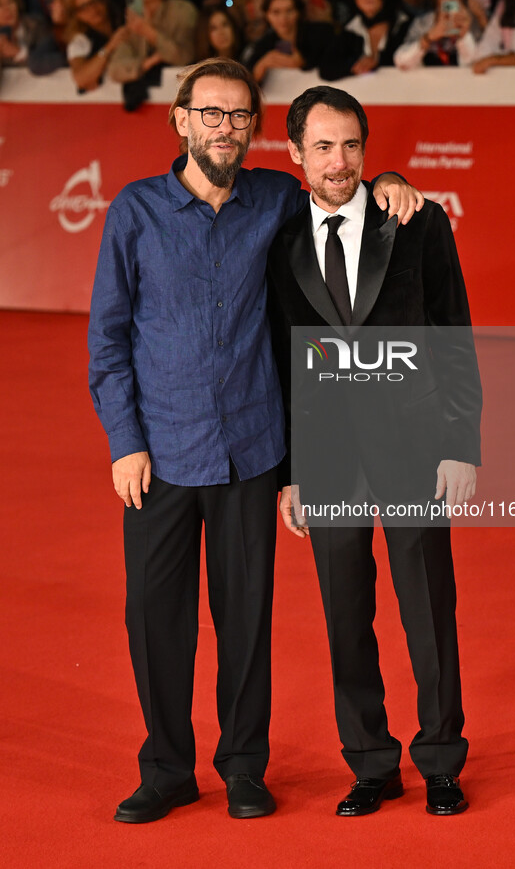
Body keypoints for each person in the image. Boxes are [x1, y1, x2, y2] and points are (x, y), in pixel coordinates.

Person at [88, 56, 422, 825]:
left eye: (239, 116)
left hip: (250, 448)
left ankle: (243, 766)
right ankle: (166, 768)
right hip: (161, 454)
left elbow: (338, 185)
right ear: (180, 120)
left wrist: (392, 180)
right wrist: (123, 441)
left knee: (245, 618)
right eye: (211, 113)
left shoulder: (275, 197)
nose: (226, 128)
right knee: (155, 619)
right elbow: (107, 342)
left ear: (253, 128)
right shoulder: (134, 212)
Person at [266, 85, 481, 817]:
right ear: (294, 153)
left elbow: (453, 339)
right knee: (344, 610)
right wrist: (290, 474)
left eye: (352, 145)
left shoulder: (415, 222)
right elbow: (279, 360)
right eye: (322, 146)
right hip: (327, 456)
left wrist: (459, 445)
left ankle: (441, 761)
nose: (339, 161)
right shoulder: (279, 237)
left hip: (415, 447)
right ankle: (369, 762)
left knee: (427, 605)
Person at [108, 0, 198, 110]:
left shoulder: (182, 9)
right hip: (146, 106)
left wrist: (148, 32)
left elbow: (183, 56)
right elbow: (115, 69)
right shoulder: (133, 13)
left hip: (181, 95)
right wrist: (148, 63)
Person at [243, 0, 334, 84]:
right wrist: (262, 65)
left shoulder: (322, 33)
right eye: (276, 12)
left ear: (298, 12)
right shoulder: (264, 44)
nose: (283, 19)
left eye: (289, 11)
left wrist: (303, 63)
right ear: (266, 15)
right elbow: (245, 77)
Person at [320, 0, 412, 80]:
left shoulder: (404, 24)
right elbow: (326, 69)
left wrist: (377, 63)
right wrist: (354, 67)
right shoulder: (350, 29)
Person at [394, 0, 479, 68]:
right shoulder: (423, 23)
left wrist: (464, 35)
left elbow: (473, 63)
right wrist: (429, 37)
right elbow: (401, 61)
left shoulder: (471, 21)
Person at [63, 0, 126, 92]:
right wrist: (110, 46)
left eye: (94, 1)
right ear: (77, 15)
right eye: (83, 7)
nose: (92, 9)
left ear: (104, 0)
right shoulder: (80, 40)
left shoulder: (122, 13)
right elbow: (80, 78)